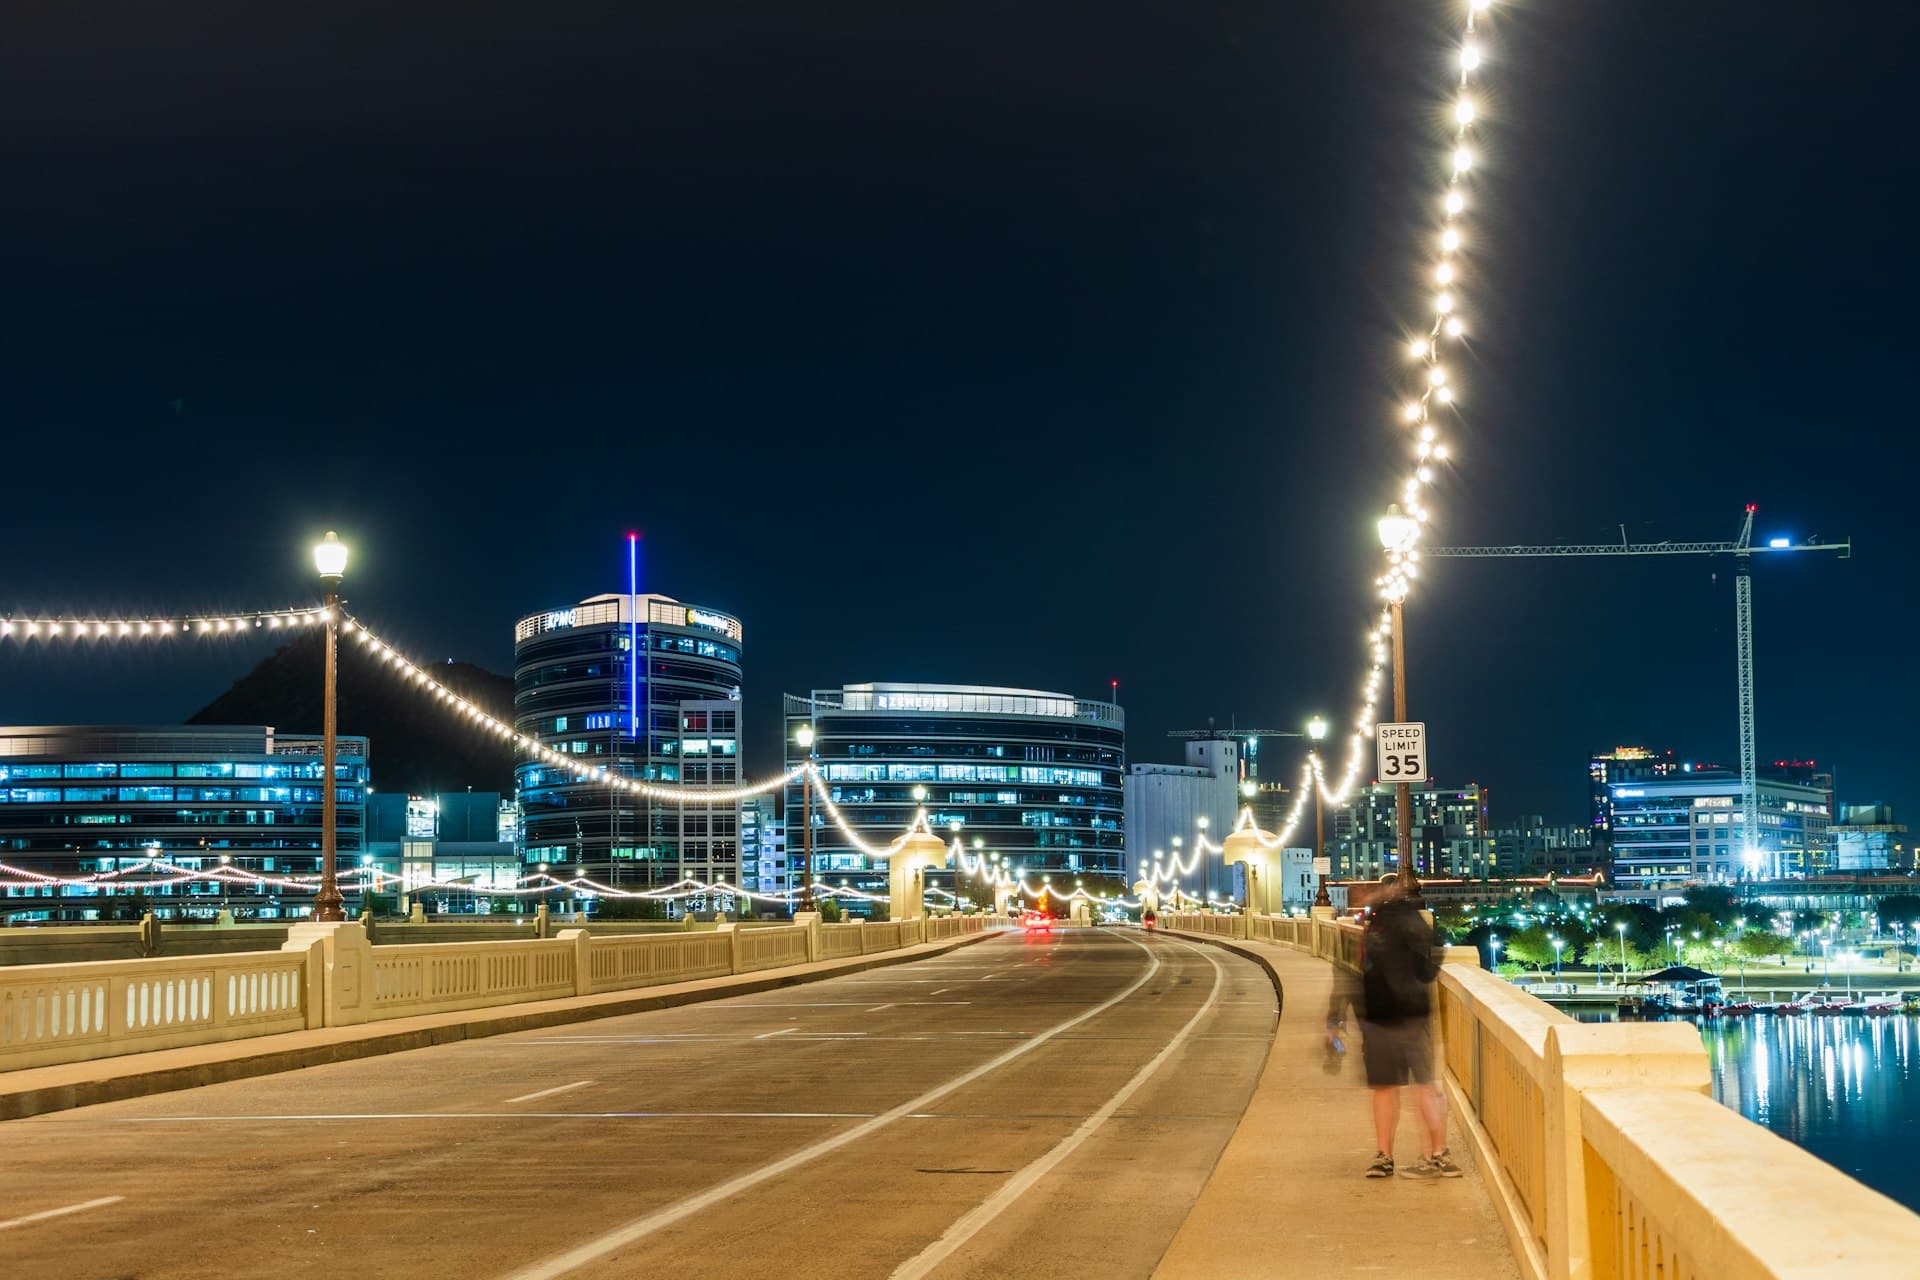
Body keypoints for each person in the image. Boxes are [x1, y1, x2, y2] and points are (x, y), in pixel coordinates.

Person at [1325, 883, 1461, 1180]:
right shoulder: (1412, 919)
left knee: (1386, 1088)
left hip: (1382, 1017)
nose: (1360, 899)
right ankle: (1439, 1154)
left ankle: (1385, 1157)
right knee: (1425, 1084)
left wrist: (1334, 1021)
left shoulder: (1373, 929)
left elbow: (1348, 975)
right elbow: (1435, 954)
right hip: (1415, 1014)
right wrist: (1418, 982)